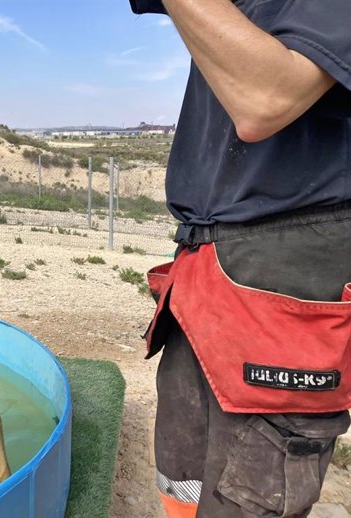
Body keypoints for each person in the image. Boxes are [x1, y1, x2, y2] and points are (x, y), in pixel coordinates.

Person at [129, 1, 351, 517]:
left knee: (248, 499)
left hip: (286, 274)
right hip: (204, 271)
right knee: (180, 479)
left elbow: (264, 100)